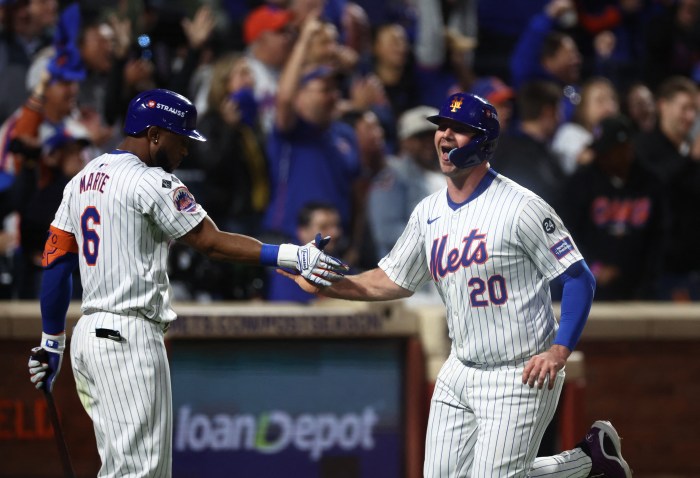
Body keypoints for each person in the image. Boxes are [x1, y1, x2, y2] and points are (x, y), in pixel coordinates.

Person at [280, 92, 631, 477]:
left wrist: (559, 351)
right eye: (441, 126)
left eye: (459, 129)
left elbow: (579, 277)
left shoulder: (521, 206)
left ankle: (585, 463)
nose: (445, 135)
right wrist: (328, 284)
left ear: (482, 140)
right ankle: (592, 462)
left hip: (519, 371)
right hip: (459, 367)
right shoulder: (428, 212)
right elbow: (388, 280)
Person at [26, 88, 347, 477]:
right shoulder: (150, 181)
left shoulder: (80, 180)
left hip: (89, 339)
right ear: (154, 135)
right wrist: (291, 255)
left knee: (122, 469)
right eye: (181, 139)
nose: (186, 151)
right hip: (127, 336)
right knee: (140, 473)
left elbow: (57, 262)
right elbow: (209, 241)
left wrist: (51, 341)